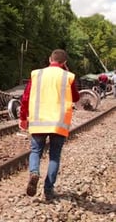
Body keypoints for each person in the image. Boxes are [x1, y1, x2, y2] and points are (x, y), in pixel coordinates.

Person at [19, 49, 80, 201]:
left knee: (35, 151)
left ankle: (34, 172)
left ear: (49, 59)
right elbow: (76, 97)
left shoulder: (36, 74)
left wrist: (23, 117)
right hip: (58, 123)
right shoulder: (68, 76)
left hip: (39, 121)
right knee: (54, 155)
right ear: (64, 63)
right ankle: (48, 190)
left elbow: (25, 97)